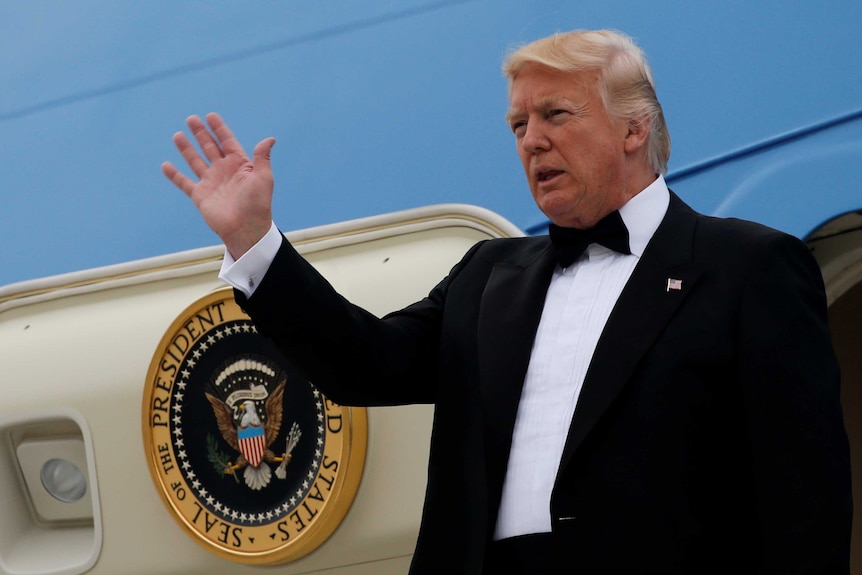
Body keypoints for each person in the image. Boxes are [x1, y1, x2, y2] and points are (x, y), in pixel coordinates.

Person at [162, 29, 851, 575]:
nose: (532, 140)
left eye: (555, 114)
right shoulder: (490, 275)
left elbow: (806, 502)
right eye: (519, 124)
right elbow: (363, 362)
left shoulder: (748, 266)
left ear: (633, 129)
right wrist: (256, 244)